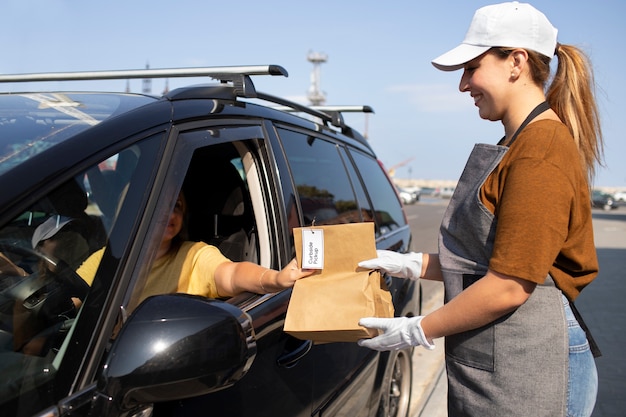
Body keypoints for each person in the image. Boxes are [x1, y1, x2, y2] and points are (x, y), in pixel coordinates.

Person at [357, 2, 602, 416]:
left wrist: (418, 329)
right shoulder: (516, 144)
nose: (463, 85)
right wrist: (411, 264)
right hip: (504, 362)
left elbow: (510, 284)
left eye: (472, 68)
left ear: (516, 62)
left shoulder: (540, 148)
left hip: (529, 367)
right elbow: (487, 261)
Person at [77, 191, 313, 304]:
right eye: (159, 205)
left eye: (177, 205)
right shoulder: (105, 259)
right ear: (133, 212)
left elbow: (232, 274)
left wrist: (276, 279)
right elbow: (71, 303)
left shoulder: (194, 255)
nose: (170, 213)